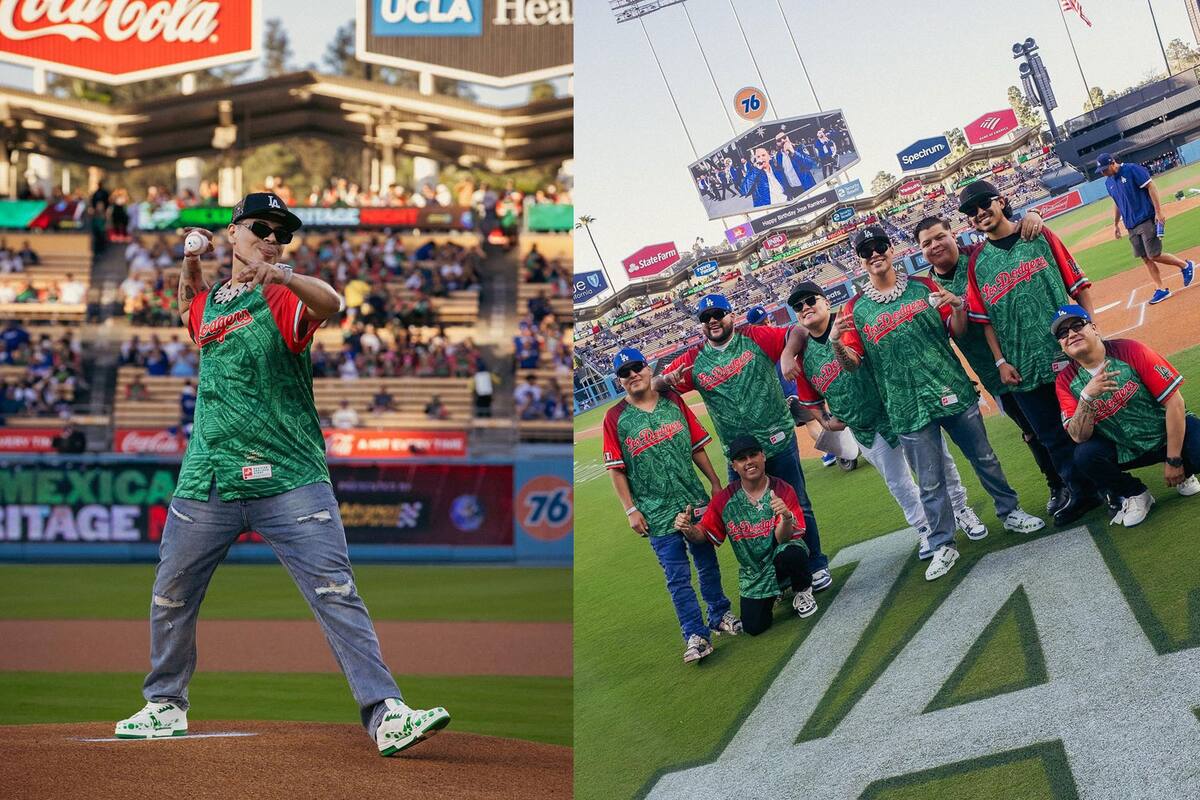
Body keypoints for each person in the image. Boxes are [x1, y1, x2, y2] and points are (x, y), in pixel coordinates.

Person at [114, 192, 449, 755]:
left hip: (289, 476)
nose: (273, 238)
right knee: (171, 594)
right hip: (209, 479)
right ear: (235, 231)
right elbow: (189, 314)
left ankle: (387, 712)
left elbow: (334, 303)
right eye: (263, 228)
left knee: (336, 593)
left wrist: (283, 274)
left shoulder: (283, 295)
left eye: (283, 233)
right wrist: (192, 263)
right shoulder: (214, 302)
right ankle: (163, 706)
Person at [802, 225, 1043, 581]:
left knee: (985, 458)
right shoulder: (855, 309)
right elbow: (852, 365)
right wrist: (837, 342)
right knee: (929, 481)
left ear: (891, 249)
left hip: (950, 389)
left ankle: (1010, 512)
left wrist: (959, 307)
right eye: (866, 251)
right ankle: (944, 543)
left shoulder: (923, 287)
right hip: (904, 405)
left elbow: (956, 330)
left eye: (879, 246)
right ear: (859, 260)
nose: (874, 254)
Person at [783, 280, 989, 560]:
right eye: (798, 306)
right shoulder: (803, 354)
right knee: (898, 481)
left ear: (825, 301)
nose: (805, 308)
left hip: (901, 405)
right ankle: (925, 527)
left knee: (938, 461)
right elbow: (810, 398)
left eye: (810, 301)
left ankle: (961, 509)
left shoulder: (849, 321)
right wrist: (825, 419)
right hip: (865, 427)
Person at [656, 293, 832, 591]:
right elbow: (656, 384)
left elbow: (798, 331)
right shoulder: (694, 358)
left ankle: (815, 564)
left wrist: (787, 355)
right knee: (749, 519)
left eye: (718, 314)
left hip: (776, 440)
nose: (712, 320)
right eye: (705, 317)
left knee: (798, 504)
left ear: (730, 315)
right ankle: (776, 577)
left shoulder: (753, 335)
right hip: (738, 457)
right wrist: (665, 380)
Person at [961, 179, 1102, 526]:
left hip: (1066, 352)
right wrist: (1000, 361)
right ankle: (1080, 493)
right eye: (971, 212)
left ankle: (1109, 484)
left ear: (1001, 200)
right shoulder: (977, 262)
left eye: (983, 204)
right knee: (1051, 437)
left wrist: (1092, 329)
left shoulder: (1038, 235)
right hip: (1021, 366)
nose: (979, 213)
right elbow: (986, 321)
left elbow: (1078, 285)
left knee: (1088, 422)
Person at [915, 215, 1067, 515]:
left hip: (1033, 351)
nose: (935, 246)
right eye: (926, 243)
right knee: (1031, 429)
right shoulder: (928, 288)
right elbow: (955, 331)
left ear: (953, 234)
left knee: (1065, 415)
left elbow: (1007, 235)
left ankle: (1090, 475)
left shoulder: (979, 256)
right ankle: (1058, 483)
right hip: (996, 372)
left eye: (939, 237)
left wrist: (1030, 217)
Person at [603, 347, 739, 663]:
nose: (633, 374)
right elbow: (616, 468)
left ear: (648, 369)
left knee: (707, 563)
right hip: (655, 511)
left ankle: (719, 614)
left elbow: (696, 447)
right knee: (677, 577)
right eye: (625, 372)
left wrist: (716, 483)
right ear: (619, 380)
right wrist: (630, 509)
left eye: (637, 367)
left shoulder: (673, 401)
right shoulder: (615, 418)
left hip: (692, 499)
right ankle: (696, 635)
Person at [1052, 304, 1200, 527]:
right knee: (1085, 455)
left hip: (1166, 434)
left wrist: (1174, 459)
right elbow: (1078, 436)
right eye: (1063, 333)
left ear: (1094, 328)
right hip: (1123, 446)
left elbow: (1175, 403)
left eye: (1077, 326)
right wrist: (1086, 398)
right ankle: (1136, 494)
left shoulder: (1130, 350)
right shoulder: (1065, 381)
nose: (1071, 334)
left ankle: (1184, 471)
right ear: (1061, 346)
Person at [674, 435, 816, 635]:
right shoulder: (724, 499)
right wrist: (687, 528)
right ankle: (776, 591)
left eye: (753, 455)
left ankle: (802, 590)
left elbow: (783, 538)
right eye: (741, 459)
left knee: (791, 553)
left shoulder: (783, 489)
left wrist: (785, 517)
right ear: (734, 466)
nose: (749, 461)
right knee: (754, 628)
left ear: (763, 456)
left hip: (781, 554)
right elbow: (702, 535)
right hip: (754, 573)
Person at [1098, 152, 1194, 305]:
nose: (1103, 173)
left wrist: (1159, 211)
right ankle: (1161, 288)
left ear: (1112, 163)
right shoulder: (1108, 182)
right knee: (1145, 258)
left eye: (1104, 169)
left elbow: (1151, 186)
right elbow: (1117, 203)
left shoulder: (1131, 170)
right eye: (1101, 171)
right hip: (1130, 225)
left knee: (1154, 255)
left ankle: (1185, 265)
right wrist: (1116, 224)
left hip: (1145, 219)